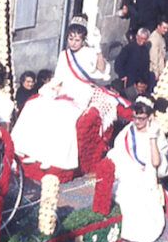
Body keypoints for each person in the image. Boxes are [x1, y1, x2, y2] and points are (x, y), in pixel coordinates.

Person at [12, 14, 112, 171]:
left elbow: (102, 70)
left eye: (77, 39)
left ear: (83, 39)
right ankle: (31, 150)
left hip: (80, 94)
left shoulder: (89, 53)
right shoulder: (64, 55)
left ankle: (49, 157)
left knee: (62, 115)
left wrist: (98, 48)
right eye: (71, 38)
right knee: (34, 105)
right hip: (63, 91)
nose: (73, 43)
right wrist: (49, 88)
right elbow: (58, 78)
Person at [108, 97, 168, 242]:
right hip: (128, 172)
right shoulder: (128, 131)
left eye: (141, 119)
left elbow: (156, 163)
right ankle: (131, 232)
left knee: (143, 198)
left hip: (148, 174)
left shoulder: (156, 132)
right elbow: (118, 152)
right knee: (126, 193)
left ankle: (146, 231)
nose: (137, 122)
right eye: (135, 117)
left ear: (149, 117)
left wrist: (152, 138)